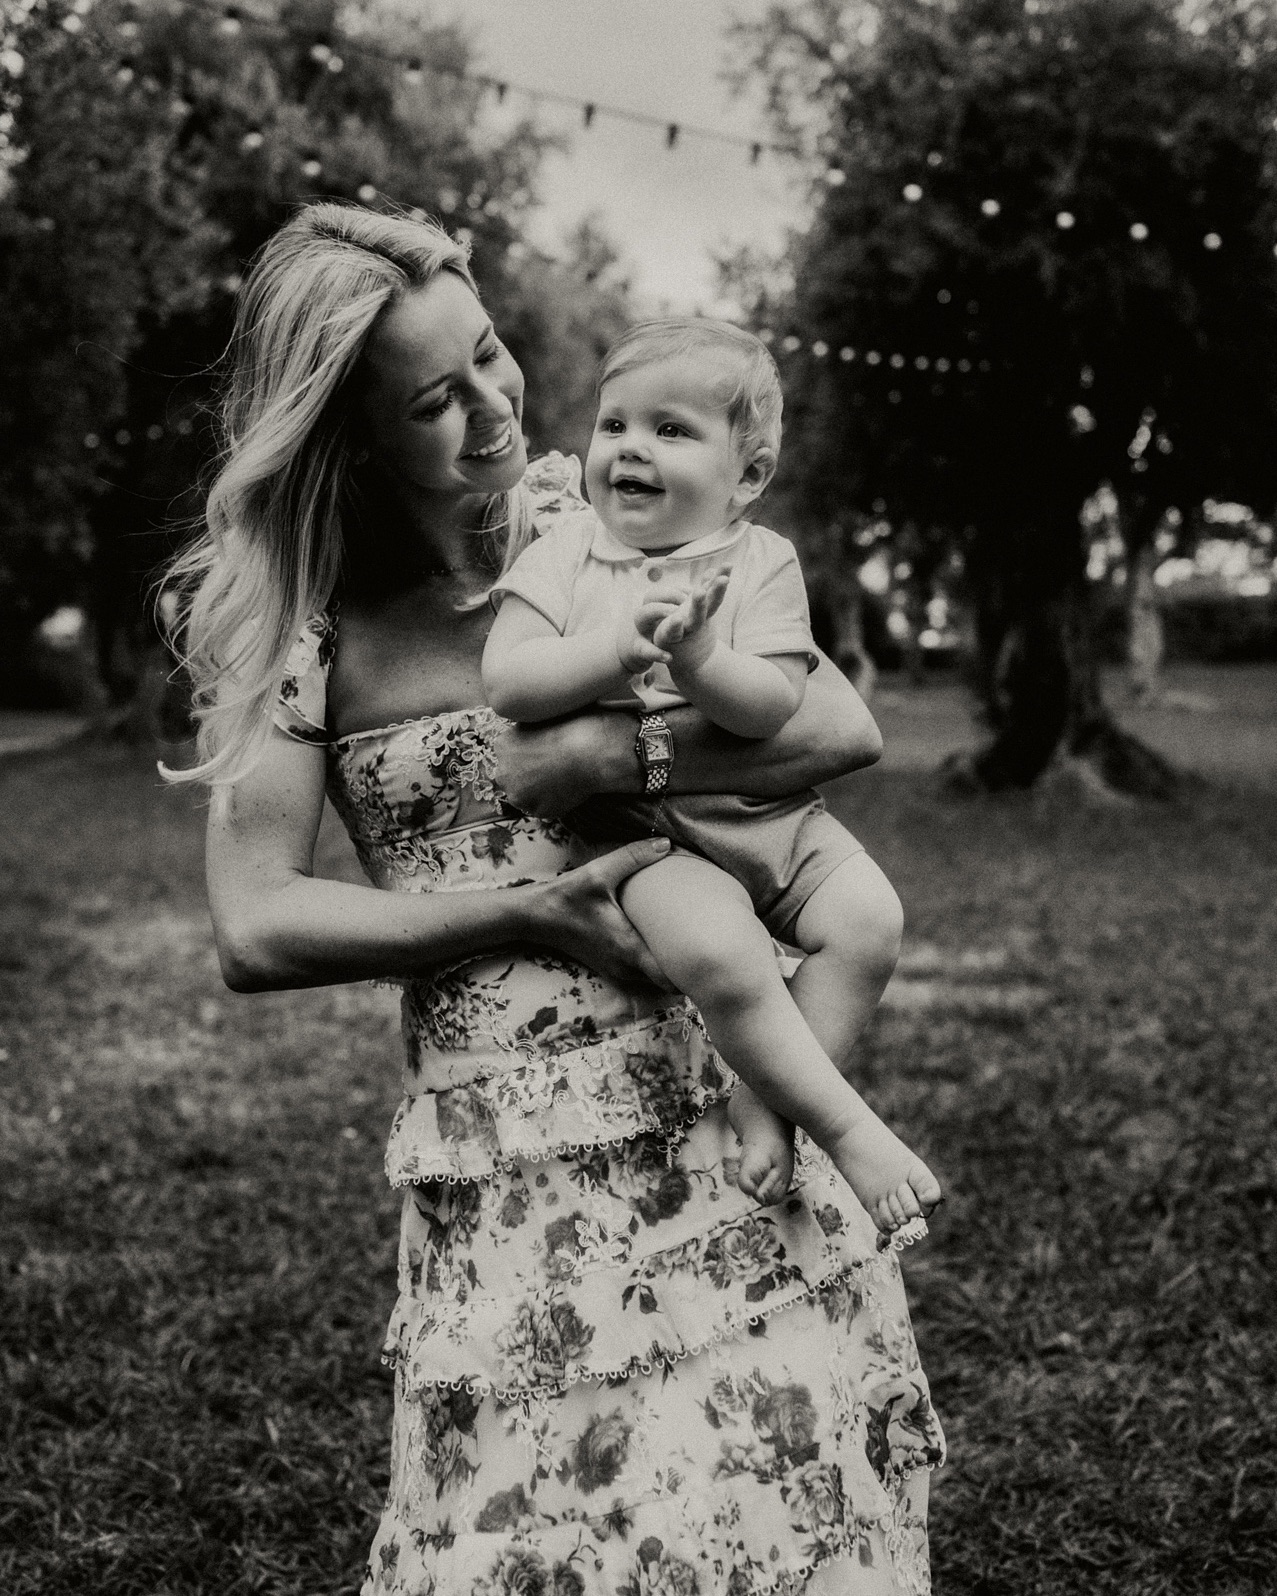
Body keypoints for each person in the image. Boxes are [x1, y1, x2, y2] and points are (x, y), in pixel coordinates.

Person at [167, 202, 945, 1596]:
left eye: (490, 358)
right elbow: (257, 923)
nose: (490, 410)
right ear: (348, 433)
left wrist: (618, 748)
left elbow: (837, 726)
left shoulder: (601, 527)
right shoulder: (312, 637)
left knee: (770, 1499)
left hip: (710, 1085)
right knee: (530, 1539)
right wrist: (524, 912)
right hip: (505, 1150)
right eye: (432, 399)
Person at [482, 320, 941, 1230]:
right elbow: (509, 681)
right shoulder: (564, 554)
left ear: (750, 475)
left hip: (775, 811)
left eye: (672, 430)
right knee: (722, 957)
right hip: (648, 836)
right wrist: (617, 646)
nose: (631, 450)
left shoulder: (761, 563)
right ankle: (846, 1128)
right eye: (614, 425)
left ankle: (766, 1100)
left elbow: (771, 706)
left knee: (869, 923)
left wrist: (693, 656)